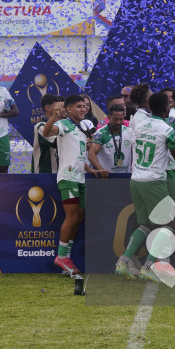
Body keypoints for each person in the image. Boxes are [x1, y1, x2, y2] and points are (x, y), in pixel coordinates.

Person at [114, 92, 175, 283]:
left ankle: (124, 261)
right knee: (168, 223)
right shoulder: (166, 129)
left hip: (136, 179)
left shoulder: (138, 125)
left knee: (145, 223)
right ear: (166, 108)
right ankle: (148, 267)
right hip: (155, 180)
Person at [42, 94, 98, 276]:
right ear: (70, 109)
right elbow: (46, 133)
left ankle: (66, 256)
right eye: (79, 106)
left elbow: (79, 157)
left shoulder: (81, 127)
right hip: (68, 178)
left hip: (80, 177)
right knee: (72, 217)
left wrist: (91, 171)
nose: (84, 109)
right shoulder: (65, 124)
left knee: (79, 218)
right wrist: (54, 117)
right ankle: (61, 257)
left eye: (85, 106)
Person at [89, 103, 133, 176]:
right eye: (115, 119)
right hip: (107, 177)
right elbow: (91, 154)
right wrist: (100, 169)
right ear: (109, 118)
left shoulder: (130, 132)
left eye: (121, 119)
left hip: (125, 177)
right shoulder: (101, 133)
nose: (118, 122)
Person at [31, 94, 63, 174]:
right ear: (48, 108)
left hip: (59, 174)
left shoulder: (62, 125)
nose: (62, 109)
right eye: (58, 107)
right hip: (43, 174)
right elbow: (56, 143)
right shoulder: (40, 126)